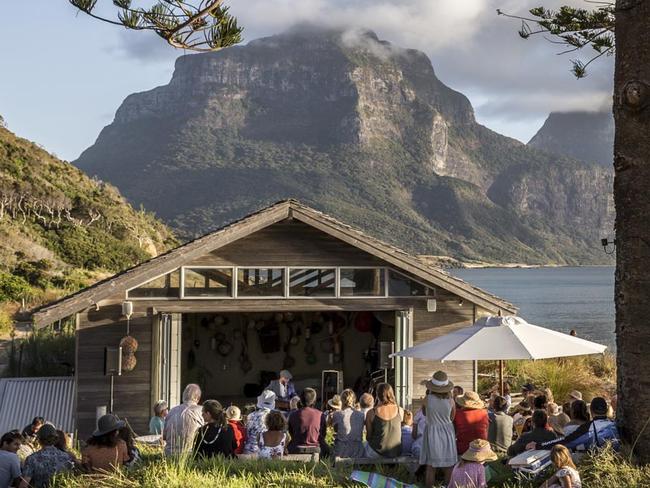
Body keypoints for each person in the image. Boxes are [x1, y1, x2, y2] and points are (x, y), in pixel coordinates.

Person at [530, 397, 620, 452]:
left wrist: (539, 445)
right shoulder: (614, 424)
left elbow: (566, 442)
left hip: (598, 465)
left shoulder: (589, 428)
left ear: (591, 411)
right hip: (615, 462)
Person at [419, 371, 457, 488]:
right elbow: (452, 417)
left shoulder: (427, 399)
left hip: (432, 432)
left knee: (431, 466)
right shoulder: (451, 401)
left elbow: (425, 413)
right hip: (447, 433)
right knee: (449, 466)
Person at [163, 383, 204, 456]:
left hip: (169, 455)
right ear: (198, 398)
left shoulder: (172, 411)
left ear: (183, 396)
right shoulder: (202, 411)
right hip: (191, 456)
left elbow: (164, 437)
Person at [364, 383, 403, 458]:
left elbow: (368, 437)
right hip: (396, 452)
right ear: (392, 393)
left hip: (377, 452)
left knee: (363, 446)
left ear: (377, 395)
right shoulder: (400, 410)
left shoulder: (371, 413)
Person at [287, 388, 328, 455]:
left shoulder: (293, 415)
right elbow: (323, 434)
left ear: (301, 400)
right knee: (327, 450)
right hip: (315, 448)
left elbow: (291, 433)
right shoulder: (320, 414)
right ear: (314, 401)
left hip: (296, 448)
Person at [331, 389, 365, 458]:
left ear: (341, 400)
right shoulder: (361, 415)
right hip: (358, 451)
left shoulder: (337, 414)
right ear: (354, 400)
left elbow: (336, 430)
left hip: (341, 452)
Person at [243, 390, 276, 454]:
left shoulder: (250, 415)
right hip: (265, 452)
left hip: (249, 450)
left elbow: (247, 433)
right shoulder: (273, 417)